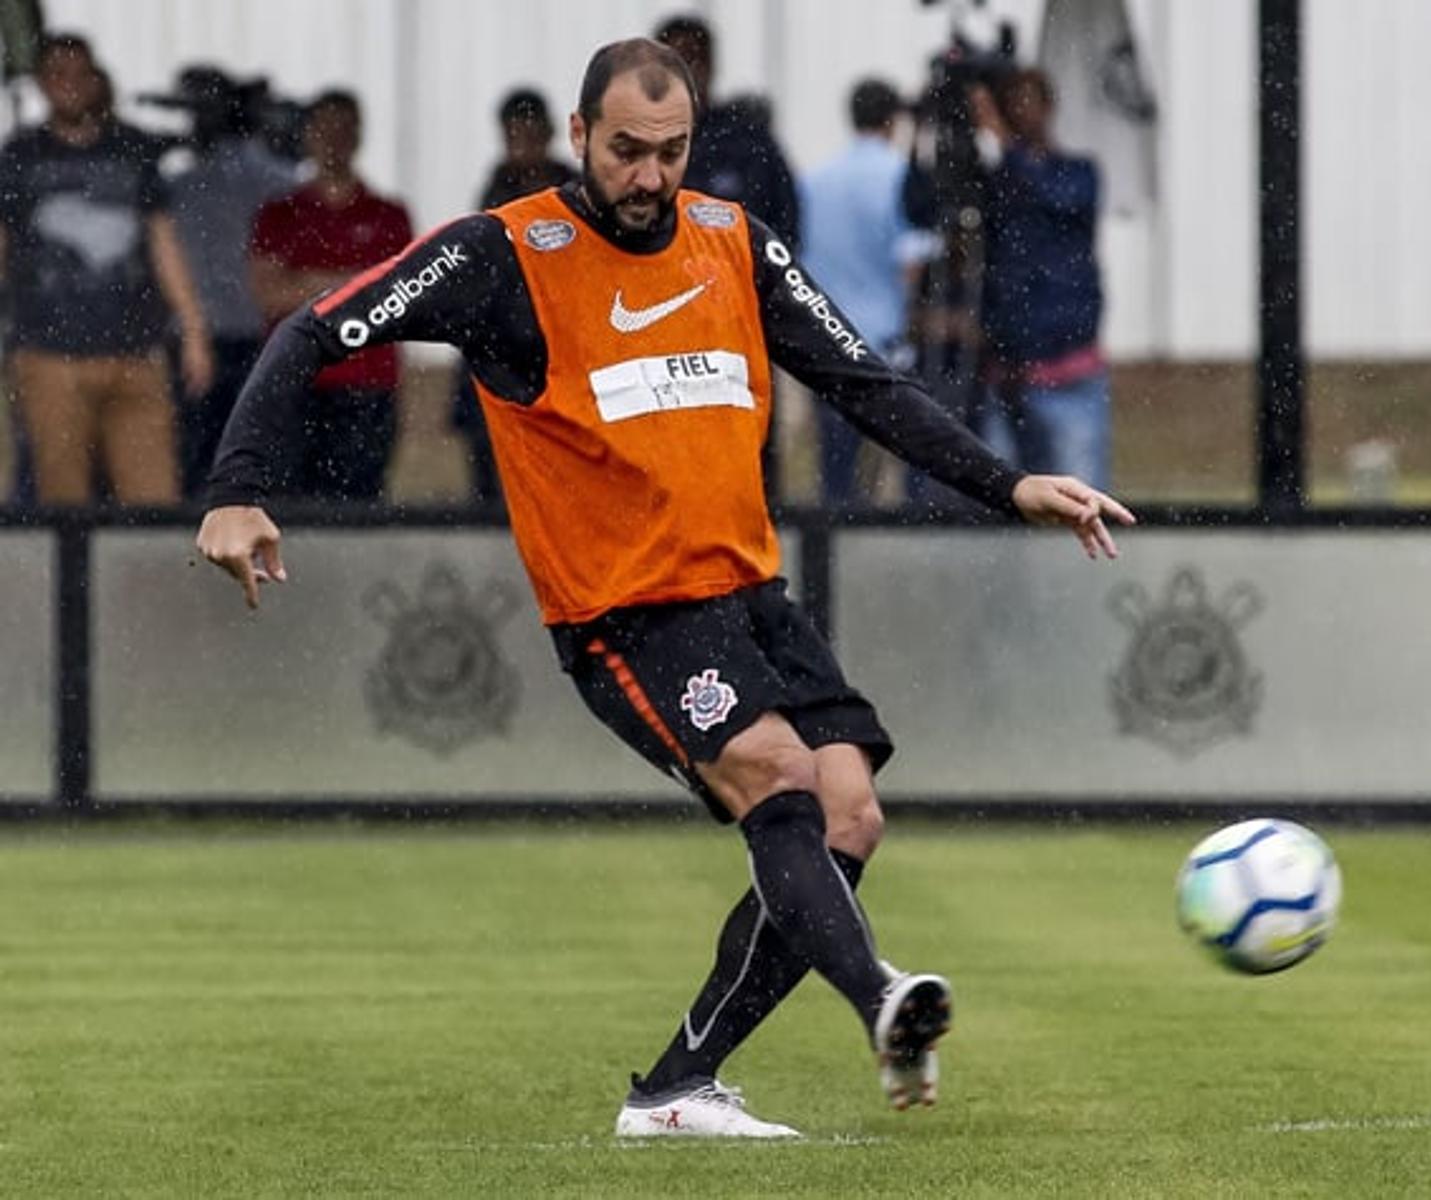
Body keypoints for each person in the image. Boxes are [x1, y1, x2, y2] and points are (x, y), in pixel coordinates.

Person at [196, 37, 1131, 1140]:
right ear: (581, 135)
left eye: (672, 152)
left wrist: (1010, 482)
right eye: (629, 151)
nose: (651, 177)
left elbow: (863, 382)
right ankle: (881, 998)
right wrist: (236, 489)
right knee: (779, 781)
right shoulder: (505, 253)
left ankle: (676, 1088)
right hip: (624, 613)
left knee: (851, 814)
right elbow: (314, 329)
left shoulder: (732, 240)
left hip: (748, 593)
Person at [0, 33, 212, 506]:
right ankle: (73, 584)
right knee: (64, 500)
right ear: (41, 83)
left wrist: (194, 328)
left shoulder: (132, 149)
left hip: (136, 352)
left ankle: (141, 581)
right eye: (58, 74)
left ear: (95, 80)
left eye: (79, 74)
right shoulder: (19, 156)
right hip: (50, 355)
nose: (69, 84)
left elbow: (163, 243)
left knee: (152, 499)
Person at [247, 89, 412, 500]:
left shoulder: (389, 215)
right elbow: (269, 296)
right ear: (307, 136)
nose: (334, 139)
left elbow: (399, 300)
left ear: (358, 136)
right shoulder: (280, 214)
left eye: (344, 129)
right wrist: (352, 281)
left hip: (367, 387)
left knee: (357, 512)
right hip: (295, 383)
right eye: (324, 129)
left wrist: (307, 283)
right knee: (288, 509)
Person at [161, 66, 300, 498]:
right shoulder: (271, 178)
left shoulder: (192, 182)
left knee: (214, 459)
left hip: (239, 333)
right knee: (229, 455)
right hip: (207, 336)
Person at [976, 68, 1110, 490]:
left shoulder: (1077, 173)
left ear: (1048, 107)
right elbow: (924, 207)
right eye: (1010, 104)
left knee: (1080, 496)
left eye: (1027, 102)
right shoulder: (995, 182)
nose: (1019, 113)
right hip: (1006, 371)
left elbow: (1055, 198)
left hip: (1066, 363)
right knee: (1002, 499)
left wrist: (1005, 143)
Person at [453, 87, 578, 503]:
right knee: (495, 470)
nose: (524, 146)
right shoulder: (494, 194)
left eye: (531, 134)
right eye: (516, 135)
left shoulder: (574, 192)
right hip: (503, 349)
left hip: (562, 348)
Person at [800, 78, 919, 508]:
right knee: (903, 469)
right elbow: (913, 260)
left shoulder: (815, 179)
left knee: (836, 476)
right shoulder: (901, 176)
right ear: (893, 121)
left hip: (826, 340)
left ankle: (833, 565)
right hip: (887, 342)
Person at [653, 14, 801, 248]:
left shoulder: (748, 141)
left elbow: (784, 223)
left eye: (692, 59)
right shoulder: (638, 145)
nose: (684, 74)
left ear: (710, 65)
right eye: (672, 65)